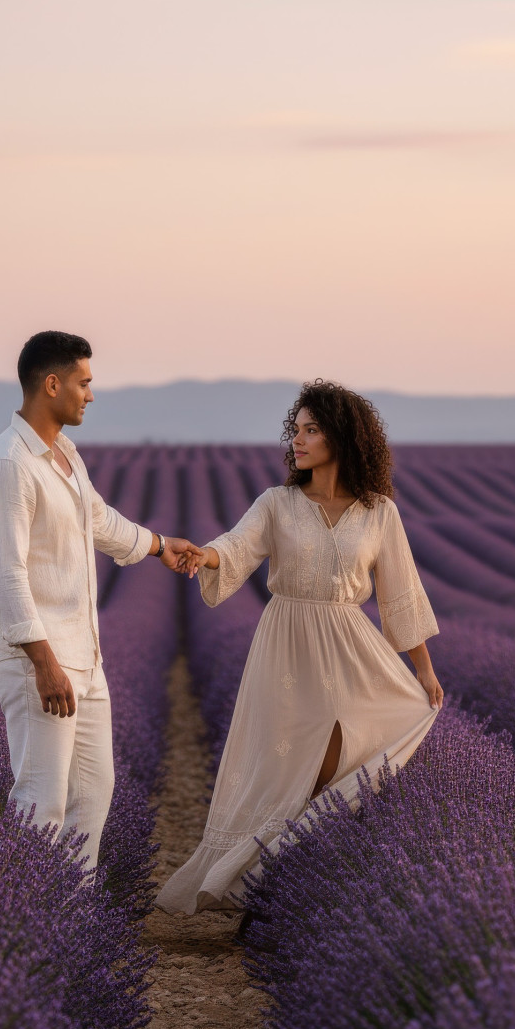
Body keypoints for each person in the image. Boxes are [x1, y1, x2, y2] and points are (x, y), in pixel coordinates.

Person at [156, 379, 444, 917]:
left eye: (311, 430)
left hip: (351, 648)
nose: (298, 440)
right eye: (296, 430)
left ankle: (281, 891)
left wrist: (423, 671)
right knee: (289, 769)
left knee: (333, 765)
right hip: (287, 647)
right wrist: (205, 555)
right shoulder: (278, 503)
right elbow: (237, 547)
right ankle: (266, 897)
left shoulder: (380, 512)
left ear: (342, 437)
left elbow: (400, 595)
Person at [0, 330, 202, 867]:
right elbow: (5, 579)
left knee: (92, 799)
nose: (90, 395)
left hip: (84, 658)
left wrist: (161, 546)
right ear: (52, 384)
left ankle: (70, 924)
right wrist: (45, 664)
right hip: (39, 660)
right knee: (40, 804)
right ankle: (30, 926)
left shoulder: (64, 456)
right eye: (84, 382)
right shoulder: (9, 466)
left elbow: (100, 521)